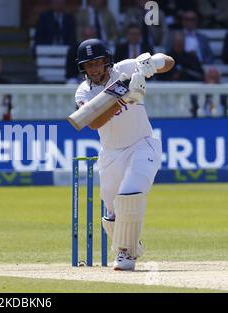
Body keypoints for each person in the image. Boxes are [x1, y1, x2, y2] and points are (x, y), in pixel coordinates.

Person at [73, 38, 175, 270]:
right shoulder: (83, 92)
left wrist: (152, 62)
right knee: (112, 213)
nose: (95, 68)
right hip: (111, 155)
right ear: (83, 68)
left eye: (98, 62)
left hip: (142, 144)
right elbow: (94, 122)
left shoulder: (126, 68)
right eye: (89, 65)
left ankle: (125, 254)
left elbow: (169, 62)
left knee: (131, 194)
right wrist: (124, 99)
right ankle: (132, 245)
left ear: (107, 61)